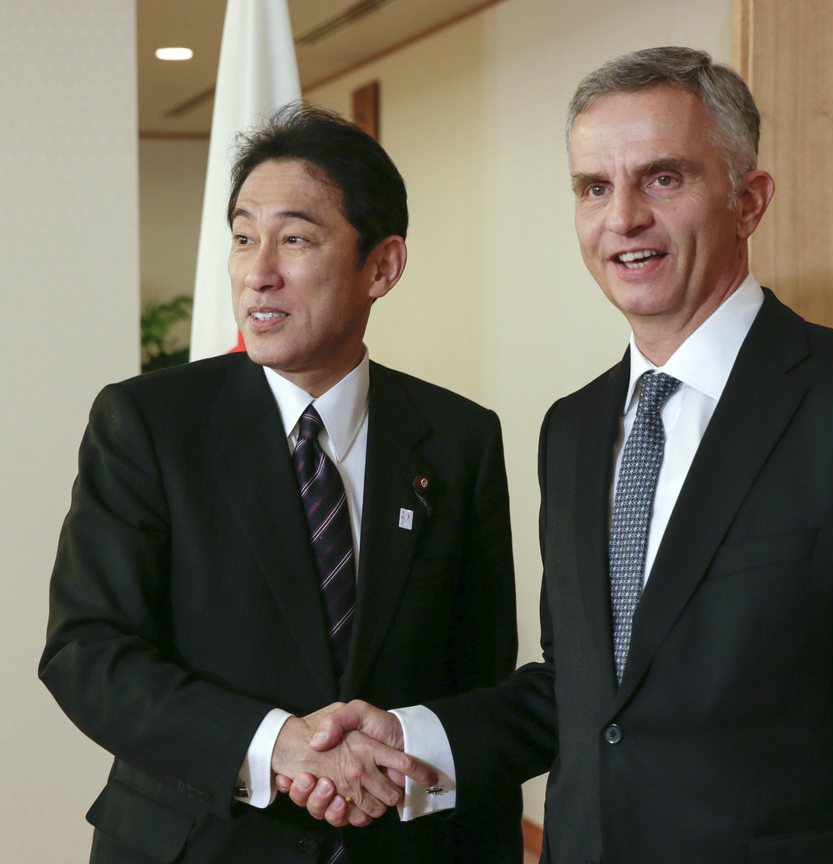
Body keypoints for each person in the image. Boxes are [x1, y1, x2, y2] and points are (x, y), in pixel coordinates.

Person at [289, 47, 833, 863]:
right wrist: (415, 735)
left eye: (662, 178)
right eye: (595, 187)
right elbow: (590, 688)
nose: (623, 217)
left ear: (750, 200)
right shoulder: (573, 428)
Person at [39, 103, 523, 864]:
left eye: (295, 238)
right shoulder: (149, 423)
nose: (257, 271)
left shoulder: (461, 437)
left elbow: (481, 684)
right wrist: (279, 747)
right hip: (196, 845)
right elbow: (89, 653)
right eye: (242, 237)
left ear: (383, 265)